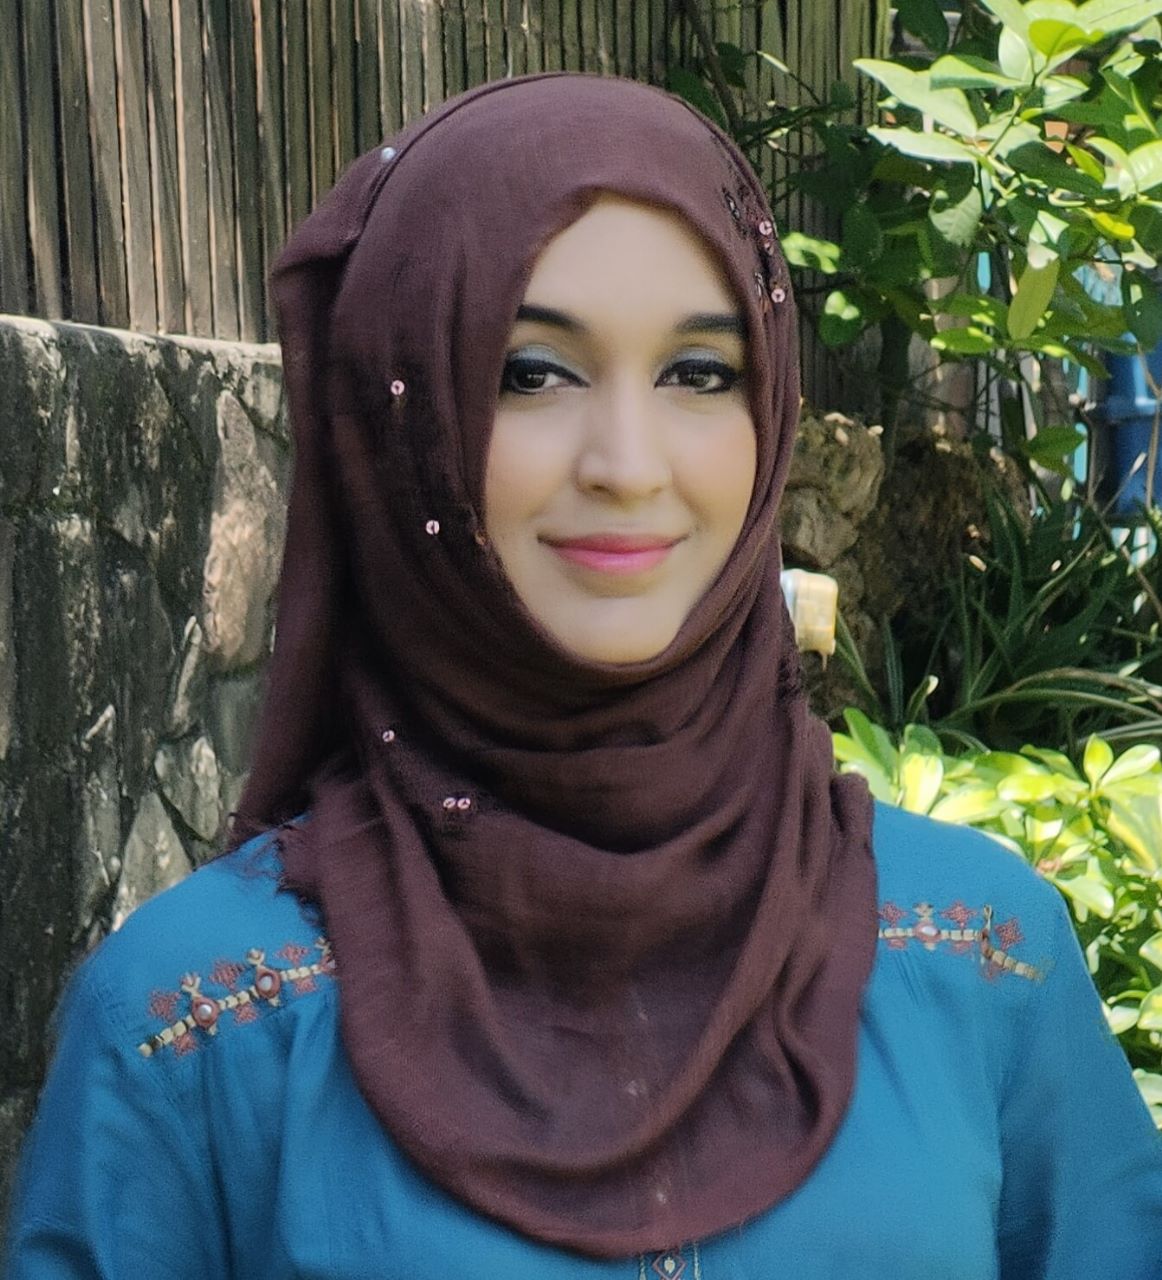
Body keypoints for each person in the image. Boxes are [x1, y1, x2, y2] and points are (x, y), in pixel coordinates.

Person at [5, 73, 1162, 1280]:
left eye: (698, 372)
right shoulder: (190, 1021)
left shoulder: (987, 957)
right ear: (404, 416)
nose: (627, 463)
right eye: (532, 371)